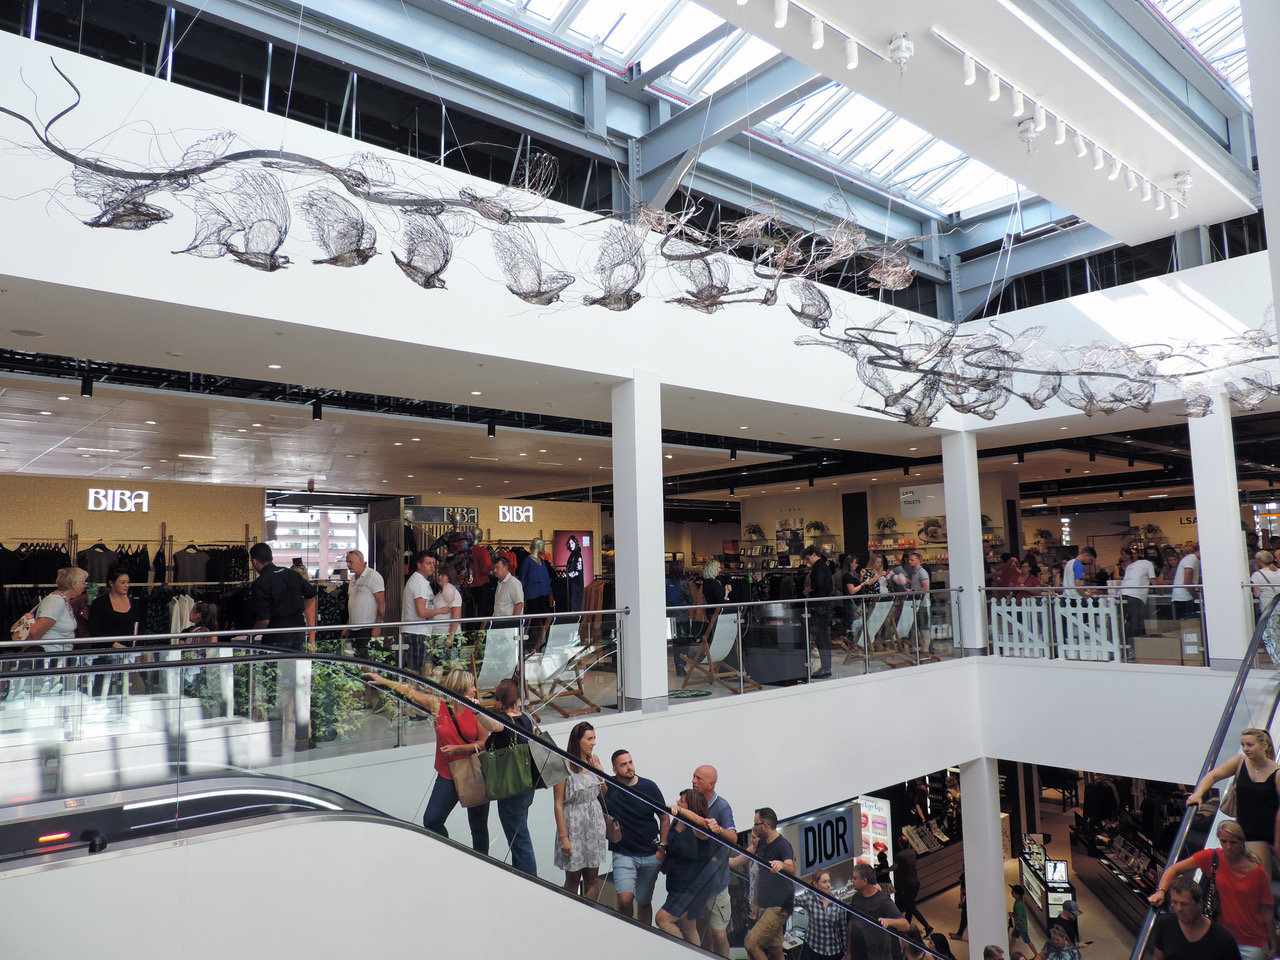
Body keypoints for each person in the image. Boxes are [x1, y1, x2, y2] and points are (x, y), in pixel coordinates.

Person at [364, 667, 500, 853]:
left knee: (478, 828)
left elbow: (485, 742)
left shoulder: (475, 711)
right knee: (432, 820)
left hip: (473, 773)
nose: (475, 690)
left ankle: (483, 866)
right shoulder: (439, 705)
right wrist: (384, 682)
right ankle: (450, 854)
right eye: (471, 686)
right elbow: (410, 692)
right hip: (447, 773)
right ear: (460, 687)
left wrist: (459, 749)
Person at [1149, 820, 1274, 960]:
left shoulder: (1257, 871)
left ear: (1241, 842)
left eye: (1233, 842)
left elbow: (1266, 909)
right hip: (1220, 937)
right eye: (1223, 841)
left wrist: (1274, 944)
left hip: (1251, 942)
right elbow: (1175, 869)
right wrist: (1161, 890)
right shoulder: (1213, 858)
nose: (1228, 847)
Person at [249, 542, 318, 751]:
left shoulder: (260, 584)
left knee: (273, 688)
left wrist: (251, 635)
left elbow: (264, 620)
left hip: (276, 640)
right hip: (298, 635)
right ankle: (302, 739)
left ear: (254, 562)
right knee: (299, 687)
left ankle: (276, 743)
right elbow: (312, 594)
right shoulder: (291, 574)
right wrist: (310, 629)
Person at [1187, 728, 1280, 873]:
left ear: (1264, 746)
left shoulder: (1277, 773)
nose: (1245, 749)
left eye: (1250, 745)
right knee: (1261, 877)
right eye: (1243, 745)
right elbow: (1213, 776)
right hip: (1250, 831)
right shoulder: (1240, 762)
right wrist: (1198, 793)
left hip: (1275, 830)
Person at [608, 748, 669, 926]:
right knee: (626, 898)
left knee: (643, 900)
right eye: (623, 764)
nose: (629, 767)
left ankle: (644, 935)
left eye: (630, 762)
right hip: (623, 853)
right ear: (614, 769)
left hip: (651, 853)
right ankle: (627, 929)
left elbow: (664, 818)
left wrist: (662, 848)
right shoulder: (609, 786)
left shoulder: (648, 786)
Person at [487, 678, 537, 876]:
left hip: (511, 785)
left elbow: (492, 725)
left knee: (520, 839)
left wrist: (475, 711)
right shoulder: (524, 718)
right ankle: (523, 877)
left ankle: (531, 882)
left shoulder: (504, 721)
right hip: (527, 783)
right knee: (519, 835)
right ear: (517, 699)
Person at [554, 721, 607, 900]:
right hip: (573, 823)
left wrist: (601, 774)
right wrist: (563, 837)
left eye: (594, 738)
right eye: (589, 739)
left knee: (592, 876)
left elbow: (604, 793)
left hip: (594, 822)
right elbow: (558, 804)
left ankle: (591, 914)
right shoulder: (564, 765)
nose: (593, 743)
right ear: (578, 741)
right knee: (573, 877)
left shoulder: (595, 760)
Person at [689, 763, 738, 958]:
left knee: (719, 934)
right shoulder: (691, 802)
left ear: (711, 785)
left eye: (698, 778)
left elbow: (733, 837)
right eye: (693, 776)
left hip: (717, 884)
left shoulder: (722, 806)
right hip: (697, 881)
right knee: (702, 930)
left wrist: (719, 830)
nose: (693, 781)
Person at [656, 789, 712, 944]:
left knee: (662, 919)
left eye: (682, 801)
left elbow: (701, 822)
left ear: (690, 806)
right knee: (688, 928)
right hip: (676, 883)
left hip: (690, 888)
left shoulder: (699, 829)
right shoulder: (677, 822)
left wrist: (680, 810)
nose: (678, 803)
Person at [742, 808, 796, 960]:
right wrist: (756, 904)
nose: (754, 827)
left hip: (779, 906)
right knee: (775, 950)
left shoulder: (782, 845)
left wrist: (782, 865)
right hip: (766, 904)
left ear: (765, 825)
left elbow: (792, 869)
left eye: (756, 824)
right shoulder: (762, 844)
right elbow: (759, 875)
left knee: (750, 943)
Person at [1151, 875, 1242, 960]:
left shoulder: (1224, 940)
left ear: (1199, 904)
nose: (1179, 909)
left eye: (1184, 904)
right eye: (1175, 902)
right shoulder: (1165, 924)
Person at [847, 860, 909, 960]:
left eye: (855, 878)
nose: (852, 881)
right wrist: (849, 952)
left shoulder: (883, 902)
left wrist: (888, 921)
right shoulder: (856, 897)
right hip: (859, 953)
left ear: (864, 881)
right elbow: (851, 924)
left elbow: (905, 925)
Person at [25, 565, 89, 652]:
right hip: (49, 657)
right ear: (74, 584)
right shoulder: (56, 603)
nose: (85, 586)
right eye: (83, 583)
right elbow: (35, 633)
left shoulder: (64, 601)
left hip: (58, 657)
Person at [794, 870, 847, 960]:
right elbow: (792, 901)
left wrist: (846, 952)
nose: (828, 885)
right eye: (824, 882)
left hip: (834, 951)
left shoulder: (838, 902)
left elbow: (843, 929)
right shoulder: (810, 898)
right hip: (815, 949)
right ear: (815, 883)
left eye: (829, 881)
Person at [341, 549, 385, 659]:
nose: (348, 565)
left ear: (360, 560)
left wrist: (377, 627)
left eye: (350, 562)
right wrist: (348, 626)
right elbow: (353, 605)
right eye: (347, 562)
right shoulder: (352, 579)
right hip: (354, 628)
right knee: (357, 662)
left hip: (367, 628)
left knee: (368, 662)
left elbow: (382, 603)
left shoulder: (373, 576)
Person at [803, 544, 835, 678]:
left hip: (820, 606)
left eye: (807, 558)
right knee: (824, 638)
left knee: (821, 637)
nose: (807, 561)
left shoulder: (818, 567)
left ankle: (825, 668)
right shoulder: (823, 566)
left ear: (813, 555)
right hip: (824, 605)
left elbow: (818, 584)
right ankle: (826, 666)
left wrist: (808, 589)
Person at [891, 833, 933, 937]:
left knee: (911, 906)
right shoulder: (912, 853)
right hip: (915, 882)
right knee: (909, 905)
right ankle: (907, 927)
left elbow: (894, 867)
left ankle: (927, 926)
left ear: (900, 844)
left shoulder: (899, 856)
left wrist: (884, 870)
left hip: (908, 884)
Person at [87, 565, 142, 644]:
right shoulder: (99, 603)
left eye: (128, 582)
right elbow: (94, 630)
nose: (126, 585)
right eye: (123, 582)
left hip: (129, 650)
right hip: (105, 650)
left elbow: (139, 628)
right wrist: (113, 645)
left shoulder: (134, 603)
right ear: (111, 583)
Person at [401, 551, 436, 675]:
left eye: (433, 563)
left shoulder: (421, 581)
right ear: (419, 565)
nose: (432, 566)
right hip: (417, 631)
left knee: (423, 667)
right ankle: (412, 693)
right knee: (415, 669)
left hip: (420, 630)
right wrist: (440, 611)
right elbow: (421, 611)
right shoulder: (419, 582)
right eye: (428, 563)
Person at [518, 538, 554, 646]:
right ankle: (532, 640)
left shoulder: (542, 561)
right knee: (533, 618)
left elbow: (547, 579)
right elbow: (522, 578)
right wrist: (521, 596)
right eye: (542, 545)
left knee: (543, 618)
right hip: (532, 594)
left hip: (543, 593)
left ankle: (543, 640)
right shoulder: (527, 561)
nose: (544, 548)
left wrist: (550, 593)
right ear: (538, 546)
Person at [1118, 547, 1157, 641]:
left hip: (1122, 594)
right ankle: (1134, 645)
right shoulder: (1148, 564)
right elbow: (1154, 581)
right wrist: (1159, 590)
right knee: (1136, 622)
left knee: (1123, 622)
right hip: (1135, 596)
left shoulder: (1130, 566)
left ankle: (1124, 642)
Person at [428, 564, 463, 665]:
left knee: (451, 665)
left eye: (443, 575)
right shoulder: (440, 592)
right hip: (438, 634)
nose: (440, 577)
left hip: (447, 635)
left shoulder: (454, 593)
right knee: (438, 665)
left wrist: (451, 636)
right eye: (439, 575)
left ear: (450, 577)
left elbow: (456, 615)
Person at [1249, 551, 1280, 662]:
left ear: (1259, 561)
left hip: (1269, 608)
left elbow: (1257, 593)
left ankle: (1277, 660)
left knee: (1271, 636)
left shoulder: (1257, 575)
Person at [667, 560, 694, 677]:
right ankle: (681, 664)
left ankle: (678, 665)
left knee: (675, 642)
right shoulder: (684, 583)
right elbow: (691, 600)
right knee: (685, 641)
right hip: (682, 616)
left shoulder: (666, 582)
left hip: (670, 616)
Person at [1172, 543, 1202, 620]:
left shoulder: (1193, 560)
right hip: (1183, 598)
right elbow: (1187, 582)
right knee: (1187, 624)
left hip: (1185, 597)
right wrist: (1196, 596)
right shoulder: (1191, 560)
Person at [492, 555, 525, 622]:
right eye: (494, 568)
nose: (495, 570)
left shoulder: (514, 583)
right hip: (499, 624)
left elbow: (519, 603)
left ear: (506, 568)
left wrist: (513, 622)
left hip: (509, 627)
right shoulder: (499, 583)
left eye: (497, 568)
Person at [1009, 884, 1034, 956]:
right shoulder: (1019, 902)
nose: (1012, 892)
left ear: (1017, 894)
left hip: (1021, 926)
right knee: (1013, 937)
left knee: (1027, 940)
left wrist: (1012, 915)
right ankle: (1009, 951)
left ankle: (1036, 954)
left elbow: (1019, 917)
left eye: (1013, 891)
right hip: (1019, 926)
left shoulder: (1018, 904)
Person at [565, 535, 585, 612]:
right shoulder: (573, 554)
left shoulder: (577, 555)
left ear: (576, 543)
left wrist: (568, 575)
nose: (571, 545)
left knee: (575, 605)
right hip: (573, 584)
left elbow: (578, 571)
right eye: (569, 543)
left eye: (572, 543)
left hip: (577, 585)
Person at [951, 871, 968, 940]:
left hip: (970, 898)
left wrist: (961, 902)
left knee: (964, 916)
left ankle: (959, 934)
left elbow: (962, 891)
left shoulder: (963, 876)